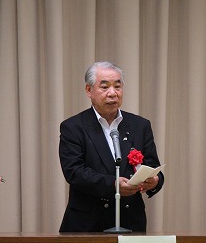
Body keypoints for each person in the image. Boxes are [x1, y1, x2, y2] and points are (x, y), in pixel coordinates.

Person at [59, 61, 164, 232]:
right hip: (87, 224)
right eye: (105, 87)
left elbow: (153, 166)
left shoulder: (140, 125)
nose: (112, 93)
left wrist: (155, 181)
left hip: (130, 222)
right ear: (88, 90)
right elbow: (74, 172)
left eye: (117, 86)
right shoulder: (73, 127)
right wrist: (113, 184)